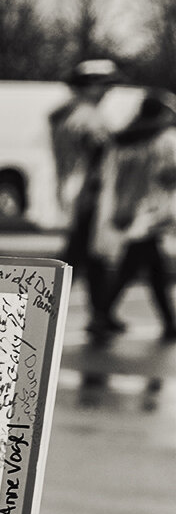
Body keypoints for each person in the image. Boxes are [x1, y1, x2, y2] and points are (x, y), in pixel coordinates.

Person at [87, 91, 176, 342]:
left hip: (125, 210)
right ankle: (101, 315)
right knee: (136, 268)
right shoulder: (163, 140)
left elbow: (107, 175)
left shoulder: (123, 140)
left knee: (147, 267)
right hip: (150, 213)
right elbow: (168, 175)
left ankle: (167, 322)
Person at [52, 59, 124, 336]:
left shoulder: (75, 113)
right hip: (88, 196)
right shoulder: (85, 116)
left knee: (89, 256)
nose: (107, 90)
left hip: (86, 194)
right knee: (80, 256)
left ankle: (100, 313)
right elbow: (92, 156)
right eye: (103, 85)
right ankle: (50, 304)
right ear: (87, 87)